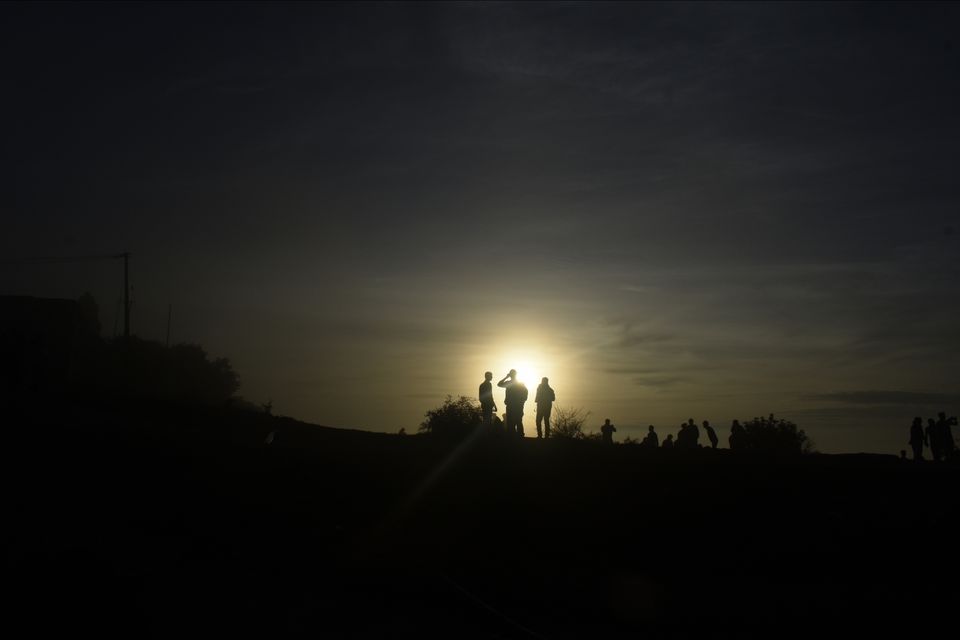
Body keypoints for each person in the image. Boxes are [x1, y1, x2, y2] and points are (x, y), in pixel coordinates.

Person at [497, 369, 528, 437]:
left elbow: (499, 384)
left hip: (514, 405)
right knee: (516, 421)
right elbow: (499, 384)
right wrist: (522, 402)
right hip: (514, 405)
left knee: (515, 421)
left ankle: (515, 436)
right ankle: (517, 436)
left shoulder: (511, 383)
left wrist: (506, 377)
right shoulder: (519, 384)